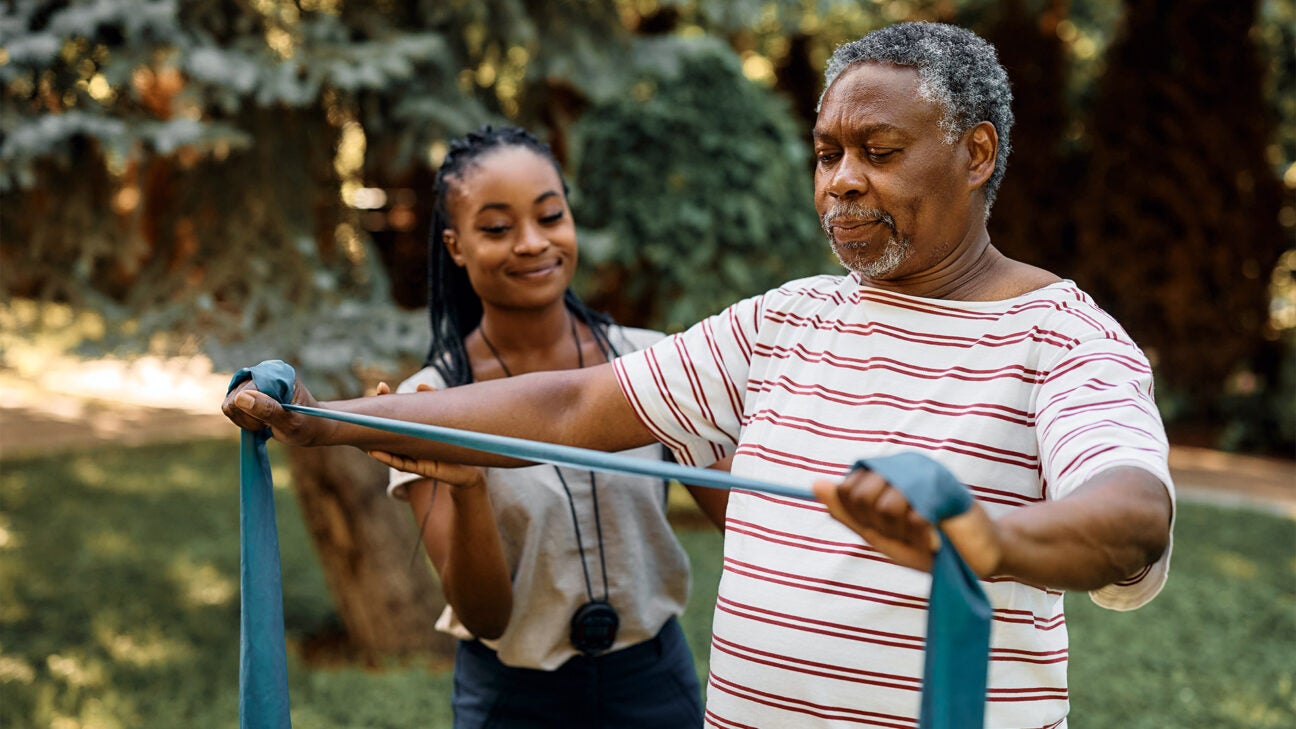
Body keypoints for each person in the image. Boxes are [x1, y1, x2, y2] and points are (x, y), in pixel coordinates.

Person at [224, 22, 1175, 728]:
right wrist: (332, 420)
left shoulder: (1062, 336)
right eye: (827, 153)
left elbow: (1132, 515)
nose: (841, 179)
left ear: (976, 155)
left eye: (878, 153)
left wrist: (986, 536)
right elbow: (573, 399)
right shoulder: (785, 318)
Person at [369, 125, 724, 728]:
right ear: (456, 246)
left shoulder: (651, 364)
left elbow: (744, 523)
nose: (532, 243)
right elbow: (484, 619)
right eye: (498, 228)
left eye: (550, 216)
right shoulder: (430, 402)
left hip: (654, 681)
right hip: (512, 699)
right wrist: (470, 483)